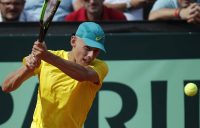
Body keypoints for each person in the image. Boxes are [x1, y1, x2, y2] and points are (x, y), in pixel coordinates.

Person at [2, 22, 109, 128]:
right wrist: (28, 67)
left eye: (96, 51)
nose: (91, 55)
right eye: (87, 48)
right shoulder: (46, 59)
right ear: (73, 41)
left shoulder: (100, 67)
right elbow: (6, 87)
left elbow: (82, 75)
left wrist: (46, 56)